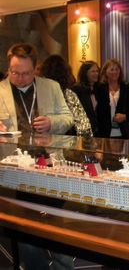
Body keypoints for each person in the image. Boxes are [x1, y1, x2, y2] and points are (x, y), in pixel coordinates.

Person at [0, 43, 74, 269]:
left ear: (35, 70)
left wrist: (52, 122)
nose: (19, 78)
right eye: (14, 72)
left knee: (55, 222)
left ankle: (63, 264)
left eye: (25, 73)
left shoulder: (51, 87)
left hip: (50, 166)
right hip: (14, 171)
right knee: (25, 227)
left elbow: (68, 118)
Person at [40, 54, 93, 138]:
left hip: (44, 141)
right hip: (67, 142)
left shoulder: (41, 93)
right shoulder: (68, 94)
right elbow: (83, 126)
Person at [96, 58, 129, 139]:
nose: (115, 72)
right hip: (104, 132)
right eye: (112, 69)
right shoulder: (99, 88)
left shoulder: (128, 88)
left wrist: (125, 116)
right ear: (105, 72)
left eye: (117, 69)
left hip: (125, 132)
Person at [71, 60, 100, 136]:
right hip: (83, 132)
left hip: (98, 132)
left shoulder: (99, 89)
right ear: (85, 73)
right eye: (93, 71)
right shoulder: (76, 89)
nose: (96, 74)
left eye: (97, 71)